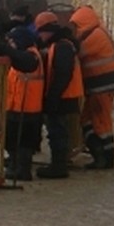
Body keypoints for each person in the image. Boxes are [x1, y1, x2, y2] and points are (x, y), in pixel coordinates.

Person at [69, 5, 114, 169]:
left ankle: (105, 158)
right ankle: (100, 154)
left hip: (102, 84)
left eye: (76, 26)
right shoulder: (98, 32)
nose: (75, 30)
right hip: (104, 82)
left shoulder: (92, 37)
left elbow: (76, 53)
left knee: (100, 121)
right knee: (88, 119)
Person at [33, 11, 83, 179]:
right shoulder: (63, 44)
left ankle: (58, 166)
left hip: (62, 97)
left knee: (57, 131)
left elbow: (63, 73)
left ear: (47, 30)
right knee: (59, 130)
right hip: (65, 96)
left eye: (40, 31)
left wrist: (53, 97)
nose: (39, 35)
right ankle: (59, 163)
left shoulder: (61, 46)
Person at [0, 25, 44, 181]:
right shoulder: (21, 56)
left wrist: (6, 50)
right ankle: (15, 166)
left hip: (28, 107)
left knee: (24, 142)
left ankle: (22, 170)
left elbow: (24, 62)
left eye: (12, 41)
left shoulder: (31, 56)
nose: (11, 44)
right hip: (16, 106)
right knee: (12, 140)